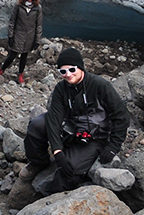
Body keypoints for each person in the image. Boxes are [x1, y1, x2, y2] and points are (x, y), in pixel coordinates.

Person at [23, 47, 130, 196]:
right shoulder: (61, 88)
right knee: (37, 125)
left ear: (80, 67)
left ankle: (49, 198)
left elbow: (122, 116)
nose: (68, 75)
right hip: (70, 130)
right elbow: (54, 120)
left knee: (69, 170)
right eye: (63, 71)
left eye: (72, 70)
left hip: (95, 138)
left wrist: (113, 145)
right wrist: (58, 152)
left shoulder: (100, 85)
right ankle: (38, 162)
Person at [0, 0, 42, 85]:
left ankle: (20, 75)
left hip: (29, 36)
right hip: (18, 35)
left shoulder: (37, 8)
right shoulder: (19, 6)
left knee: (24, 56)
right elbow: (12, 21)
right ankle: (1, 70)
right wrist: (10, 35)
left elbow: (38, 25)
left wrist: (37, 40)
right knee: (12, 55)